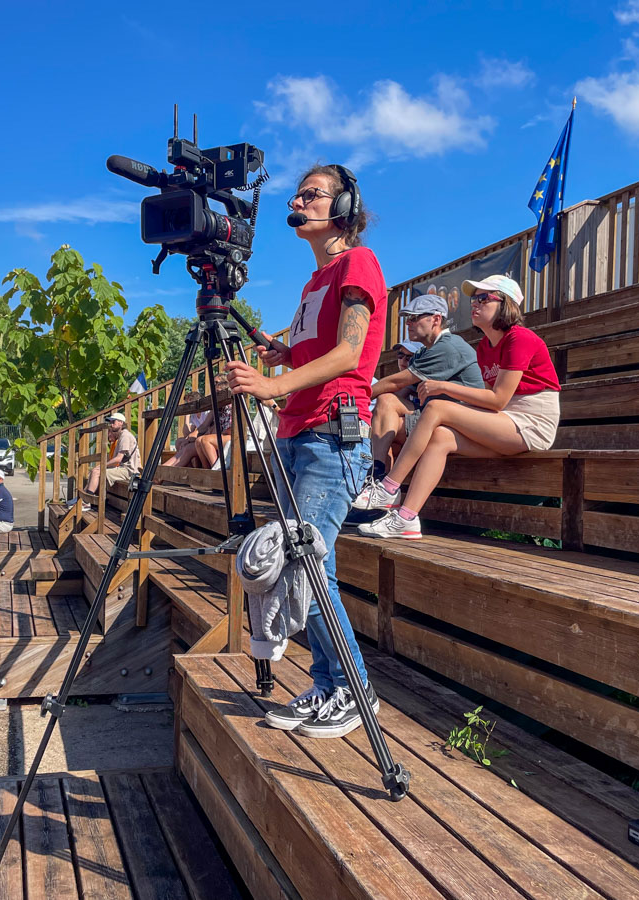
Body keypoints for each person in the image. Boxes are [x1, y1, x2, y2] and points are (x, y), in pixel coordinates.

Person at [224, 163, 383, 739]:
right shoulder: (314, 282)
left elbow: (349, 354)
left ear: (343, 208)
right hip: (298, 432)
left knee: (307, 568)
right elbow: (316, 350)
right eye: (297, 195)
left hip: (330, 436)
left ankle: (352, 689)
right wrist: (284, 354)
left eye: (311, 194)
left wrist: (272, 386)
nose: (297, 202)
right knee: (307, 569)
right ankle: (328, 684)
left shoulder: (358, 262)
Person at [357, 274, 561, 540]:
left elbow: (498, 399)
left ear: (506, 304)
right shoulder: (485, 346)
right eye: (473, 299)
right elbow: (489, 400)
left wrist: (443, 387)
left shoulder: (520, 338)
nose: (474, 303)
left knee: (437, 408)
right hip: (506, 421)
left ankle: (388, 487)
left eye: (483, 298)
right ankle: (406, 518)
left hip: (532, 424)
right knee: (441, 437)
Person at [357, 293, 483, 489]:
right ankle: (377, 480)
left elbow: (396, 382)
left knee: (387, 423)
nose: (408, 323)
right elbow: (398, 393)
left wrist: (356, 397)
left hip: (465, 425)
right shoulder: (425, 352)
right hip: (439, 418)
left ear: (436, 319)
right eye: (408, 318)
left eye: (414, 318)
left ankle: (377, 482)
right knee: (386, 409)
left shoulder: (448, 346)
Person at [83, 412, 140, 512]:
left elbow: (118, 459)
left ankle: (86, 502)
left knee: (96, 472)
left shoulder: (125, 436)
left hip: (129, 471)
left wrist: (102, 466)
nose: (111, 424)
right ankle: (85, 498)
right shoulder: (122, 436)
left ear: (121, 423)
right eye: (110, 422)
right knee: (94, 471)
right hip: (124, 469)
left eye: (113, 421)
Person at [166, 391, 207, 468]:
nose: (187, 407)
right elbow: (187, 434)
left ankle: (171, 467)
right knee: (179, 442)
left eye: (188, 404)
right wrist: (187, 415)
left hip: (204, 438)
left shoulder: (205, 413)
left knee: (186, 446)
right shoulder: (194, 416)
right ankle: (187, 467)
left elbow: (203, 429)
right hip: (198, 437)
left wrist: (188, 439)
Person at [194, 402, 232, 469]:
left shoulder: (232, 406)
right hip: (222, 435)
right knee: (198, 441)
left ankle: (217, 469)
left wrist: (222, 432)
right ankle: (207, 469)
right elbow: (206, 426)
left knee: (206, 440)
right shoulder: (218, 407)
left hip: (233, 435)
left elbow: (234, 428)